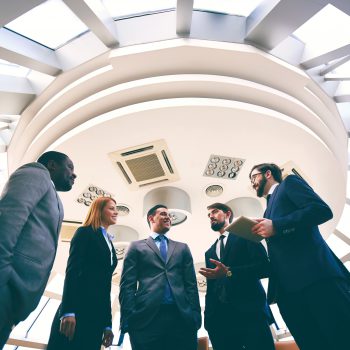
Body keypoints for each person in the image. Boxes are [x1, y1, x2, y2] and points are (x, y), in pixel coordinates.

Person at [249, 163, 350, 350]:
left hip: (317, 280)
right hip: (289, 294)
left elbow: (321, 210)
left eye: (253, 177)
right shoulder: (266, 212)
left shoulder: (289, 183)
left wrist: (277, 226)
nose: (252, 183)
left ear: (268, 173)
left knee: (341, 338)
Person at [0, 151, 76, 348]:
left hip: (15, 300)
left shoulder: (55, 198)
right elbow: (7, 219)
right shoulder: (35, 173)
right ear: (52, 165)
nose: (74, 175)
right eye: (69, 167)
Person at [119, 204, 201, 350]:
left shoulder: (182, 247)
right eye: (163, 214)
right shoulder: (136, 246)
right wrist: (129, 317)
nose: (168, 217)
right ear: (151, 218)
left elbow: (191, 285)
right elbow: (127, 285)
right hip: (146, 319)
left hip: (181, 318)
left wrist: (195, 315)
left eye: (169, 215)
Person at [199, 203, 275, 350]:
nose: (211, 217)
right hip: (221, 322)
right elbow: (211, 288)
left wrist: (229, 271)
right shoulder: (209, 252)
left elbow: (264, 267)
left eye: (214, 212)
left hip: (251, 314)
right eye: (209, 215)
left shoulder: (245, 235)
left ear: (228, 214)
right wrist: (208, 321)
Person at [47, 196, 118, 350]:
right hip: (77, 311)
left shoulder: (110, 245)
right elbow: (72, 272)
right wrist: (68, 311)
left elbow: (106, 287)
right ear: (99, 211)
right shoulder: (84, 232)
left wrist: (107, 325)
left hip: (96, 317)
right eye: (111, 208)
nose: (116, 212)